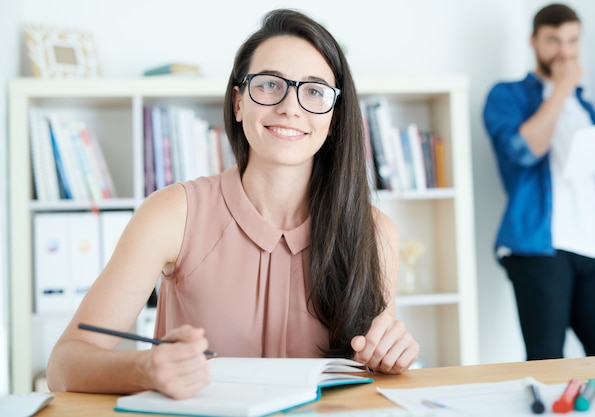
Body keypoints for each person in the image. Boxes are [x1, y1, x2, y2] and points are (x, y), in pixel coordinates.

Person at [47, 8, 420, 399]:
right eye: (270, 85)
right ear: (239, 102)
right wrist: (145, 368)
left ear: (334, 117)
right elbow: (63, 365)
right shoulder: (172, 213)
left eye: (314, 91)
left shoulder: (375, 233)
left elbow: (372, 369)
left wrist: (390, 355)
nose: (291, 106)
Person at [483, 3, 595, 361]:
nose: (565, 51)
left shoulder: (588, 107)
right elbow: (525, 150)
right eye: (554, 41)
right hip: (539, 250)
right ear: (533, 41)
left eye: (572, 41)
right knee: (547, 361)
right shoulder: (508, 96)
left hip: (594, 249)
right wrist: (561, 87)